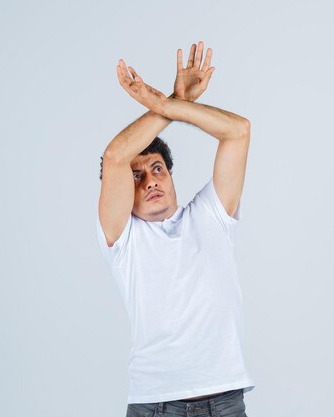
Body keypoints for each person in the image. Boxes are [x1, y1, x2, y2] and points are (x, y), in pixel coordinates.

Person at [96, 41, 254, 417]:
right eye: (137, 177)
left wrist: (172, 106)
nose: (150, 180)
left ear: (169, 176)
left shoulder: (211, 215)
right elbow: (115, 156)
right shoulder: (123, 238)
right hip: (156, 405)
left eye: (156, 169)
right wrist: (166, 102)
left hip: (226, 402)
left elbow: (239, 131)